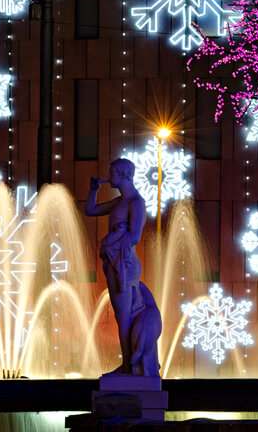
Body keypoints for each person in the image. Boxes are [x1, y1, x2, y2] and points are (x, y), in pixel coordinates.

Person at [86, 158, 150, 374]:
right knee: (121, 315)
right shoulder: (119, 201)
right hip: (116, 261)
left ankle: (129, 366)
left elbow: (135, 237)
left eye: (111, 172)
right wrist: (93, 190)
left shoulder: (136, 202)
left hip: (124, 263)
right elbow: (91, 210)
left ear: (123, 174)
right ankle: (128, 364)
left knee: (124, 316)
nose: (108, 176)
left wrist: (110, 241)